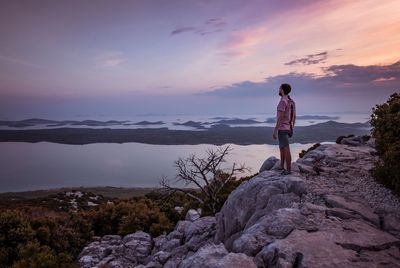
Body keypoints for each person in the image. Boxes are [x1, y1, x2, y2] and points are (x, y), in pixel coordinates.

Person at [273, 83, 296, 175]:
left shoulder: (283, 101)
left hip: (283, 128)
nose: (278, 90)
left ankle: (288, 170)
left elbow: (281, 117)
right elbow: (294, 116)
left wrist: (275, 130)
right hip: (289, 127)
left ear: (282, 90)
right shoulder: (291, 101)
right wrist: (292, 127)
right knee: (282, 147)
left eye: (279, 88)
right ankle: (282, 165)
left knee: (286, 148)